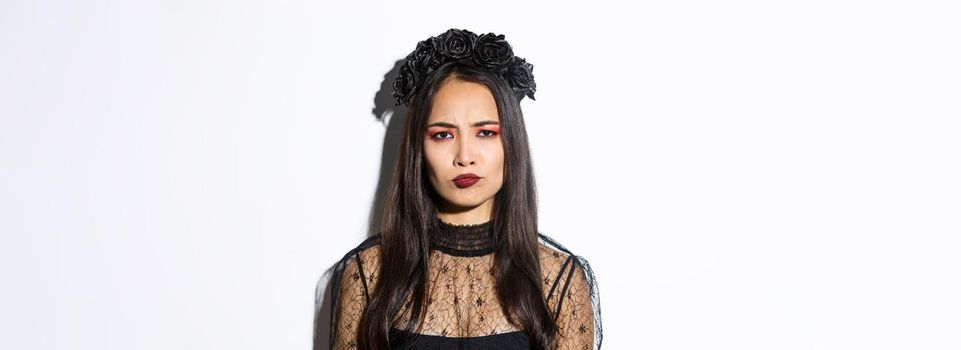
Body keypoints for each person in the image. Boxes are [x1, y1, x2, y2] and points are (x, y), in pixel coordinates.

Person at [328, 28, 602, 350]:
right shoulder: (370, 274)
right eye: (443, 135)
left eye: (485, 133)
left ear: (511, 142)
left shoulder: (557, 280)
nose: (465, 157)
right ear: (419, 148)